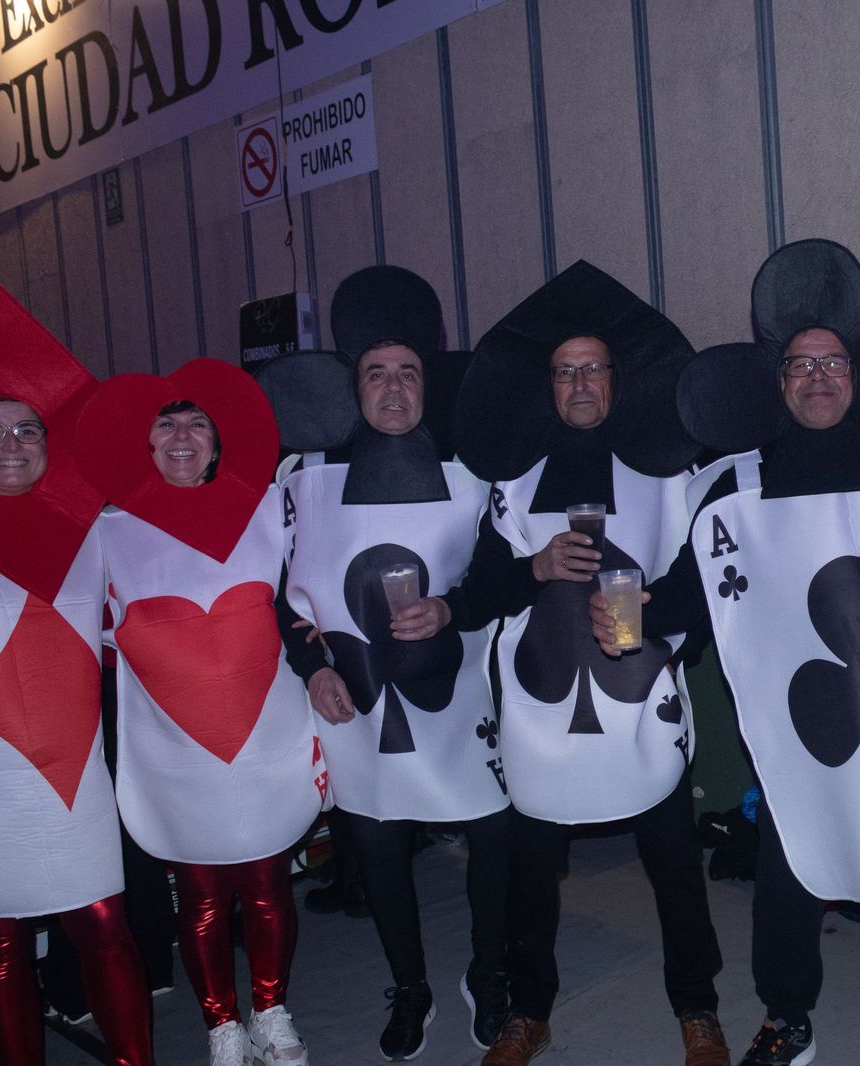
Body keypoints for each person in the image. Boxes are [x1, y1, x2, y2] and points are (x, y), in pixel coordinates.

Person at [595, 239, 860, 1066]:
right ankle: (787, 1016)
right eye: (800, 365)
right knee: (787, 868)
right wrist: (631, 625)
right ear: (777, 383)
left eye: (834, 362)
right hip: (803, 725)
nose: (819, 378)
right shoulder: (733, 487)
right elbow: (687, 592)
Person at [449, 261, 727, 1066]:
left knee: (676, 865)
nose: (578, 384)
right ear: (548, 384)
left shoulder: (665, 476)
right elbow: (480, 594)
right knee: (532, 873)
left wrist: (651, 619)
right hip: (540, 718)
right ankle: (526, 1010)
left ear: (617, 379)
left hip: (643, 709)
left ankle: (697, 1009)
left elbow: (698, 582)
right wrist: (531, 570)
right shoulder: (509, 484)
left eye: (592, 368)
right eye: (564, 371)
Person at [262, 265, 511, 1061]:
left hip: (459, 691)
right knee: (375, 848)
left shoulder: (472, 475)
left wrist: (454, 609)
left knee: (493, 834)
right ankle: (410, 985)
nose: (395, 391)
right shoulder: (304, 481)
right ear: (353, 386)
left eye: (409, 374)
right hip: (354, 700)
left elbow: (505, 574)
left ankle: (489, 970)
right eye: (377, 375)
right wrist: (313, 668)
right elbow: (272, 594)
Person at [0, 278, 153, 1066]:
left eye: (28, 429)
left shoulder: (90, 532)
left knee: (106, 926)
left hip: (69, 774)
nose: (12, 444)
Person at [76, 359, 323, 1066]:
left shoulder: (265, 511)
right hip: (174, 746)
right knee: (203, 894)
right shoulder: (107, 534)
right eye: (166, 422)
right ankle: (221, 1022)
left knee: (269, 877)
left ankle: (271, 1008)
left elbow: (303, 599)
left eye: (196, 423)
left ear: (218, 441)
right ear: (143, 440)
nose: (182, 435)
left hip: (266, 730)